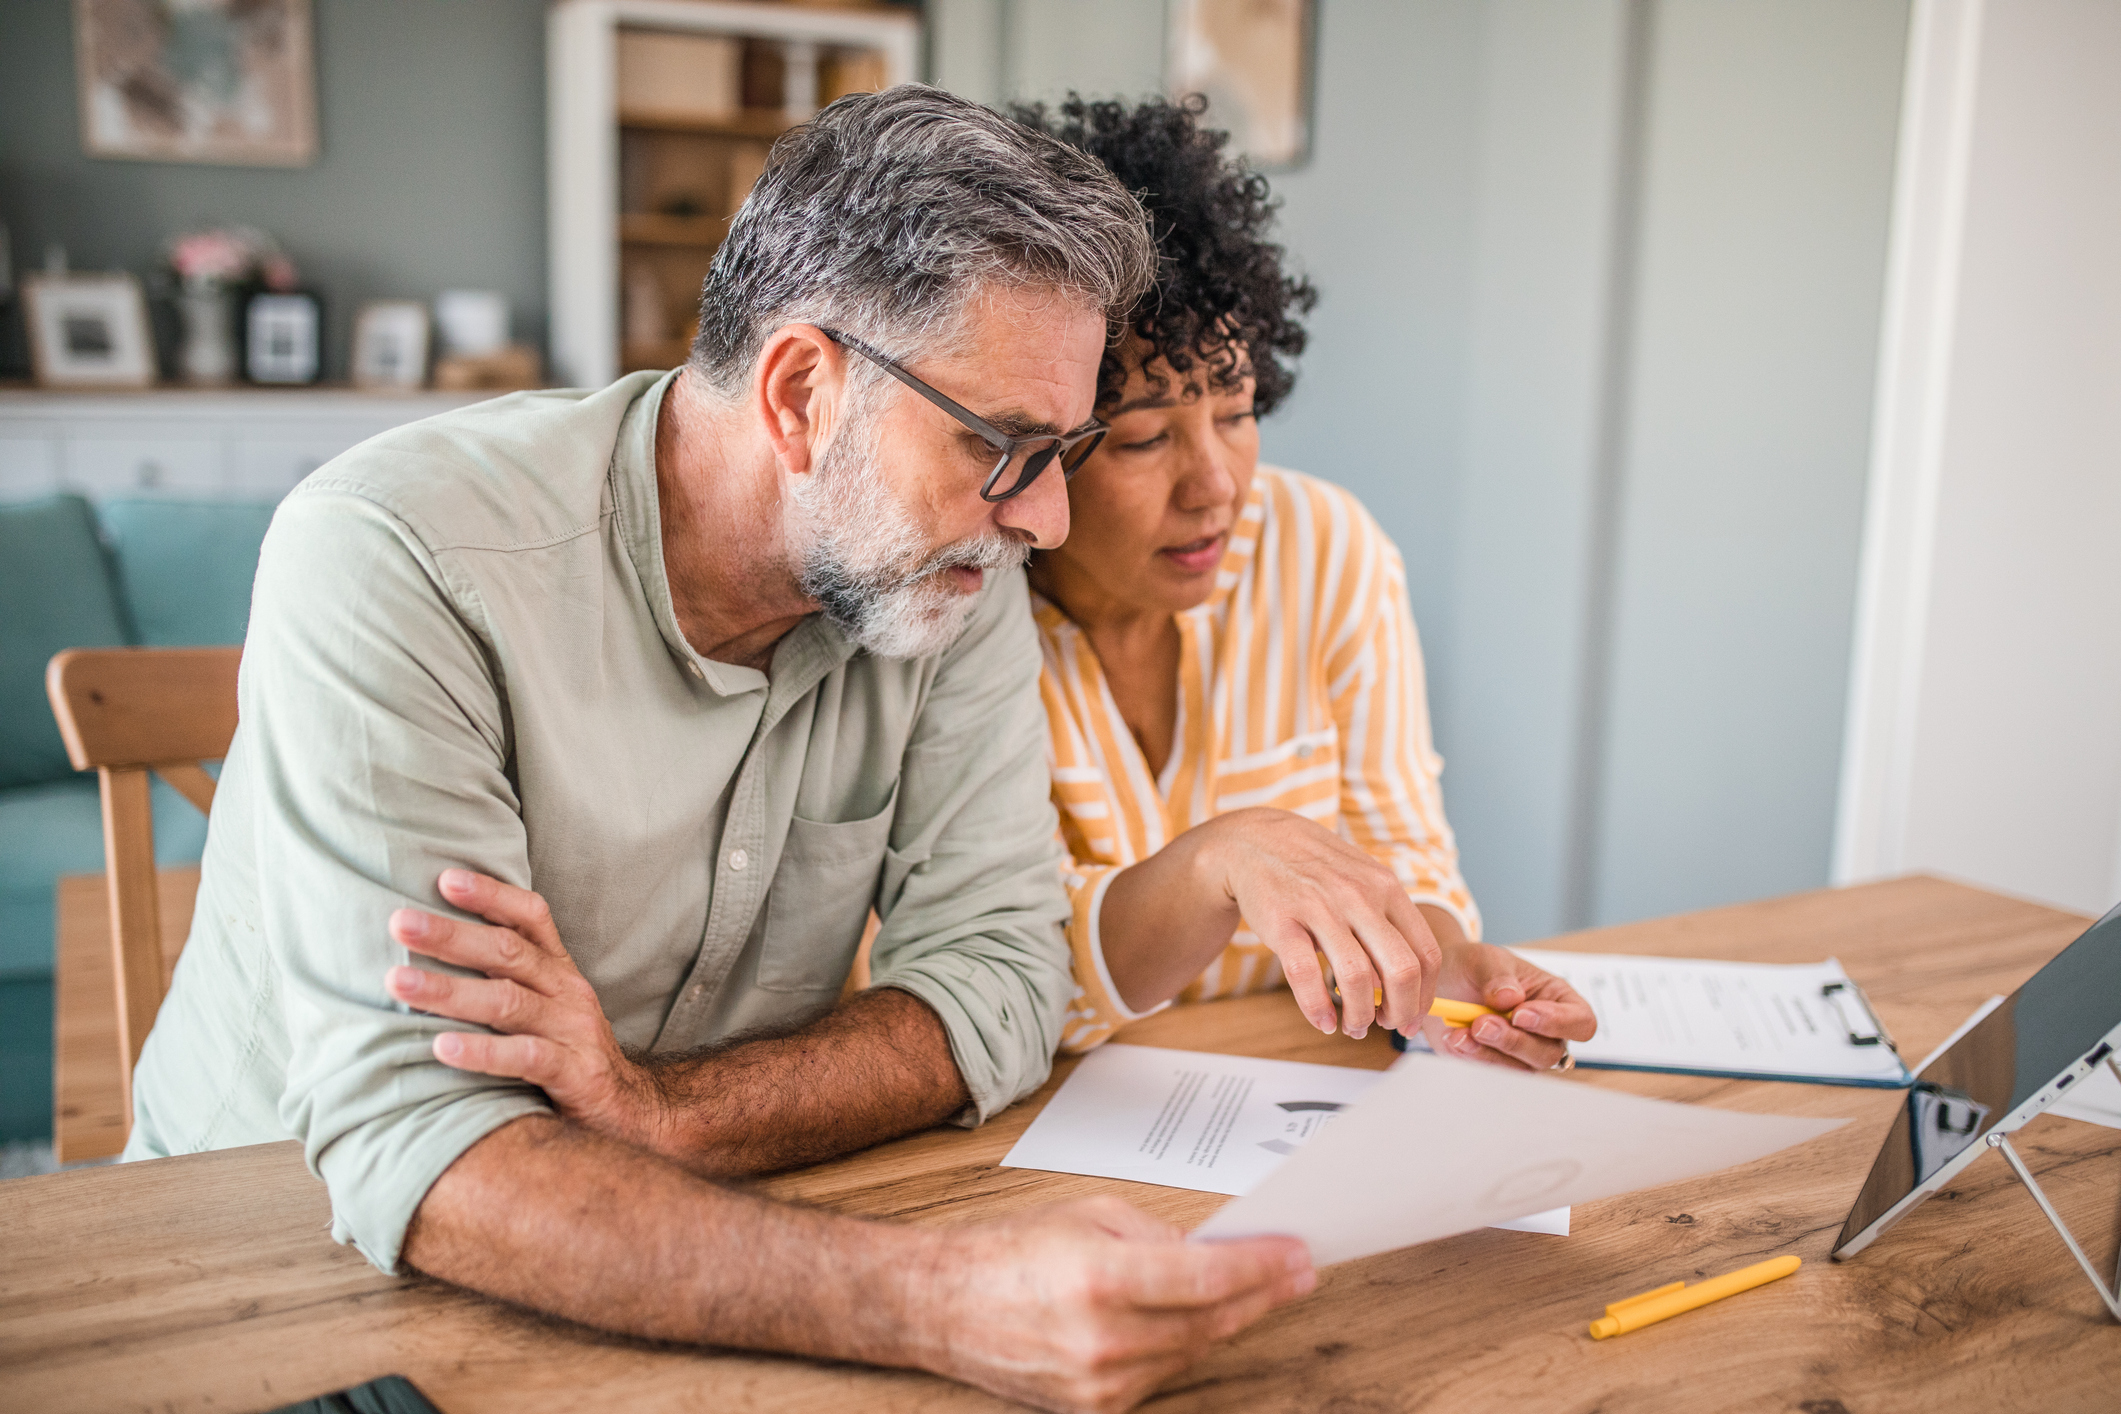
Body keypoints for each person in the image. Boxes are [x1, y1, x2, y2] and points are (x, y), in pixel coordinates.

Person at [126, 87, 1314, 1414]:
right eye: (1003, 444)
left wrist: (662, 1113)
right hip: (258, 1272)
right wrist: (938, 1297)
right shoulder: (397, 552)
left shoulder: (951, 561)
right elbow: (429, 1149)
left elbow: (998, 980)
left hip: (710, 1242)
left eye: (1068, 449)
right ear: (802, 391)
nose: (1043, 514)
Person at [1012, 96, 1597, 1064]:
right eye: (1148, 437)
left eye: (1237, 411)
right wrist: (1214, 862)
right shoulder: (972, 622)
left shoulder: (1324, 551)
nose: (1216, 485)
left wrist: (1443, 972)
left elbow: (1405, 853)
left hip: (1298, 1098)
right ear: (1045, 443)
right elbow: (1002, 976)